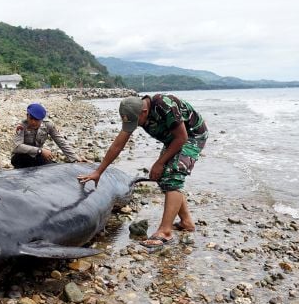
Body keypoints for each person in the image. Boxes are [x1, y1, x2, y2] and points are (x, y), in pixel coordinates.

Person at [77, 94, 208, 249]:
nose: (135, 126)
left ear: (144, 111)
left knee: (172, 175)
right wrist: (98, 171)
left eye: (136, 122)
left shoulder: (165, 105)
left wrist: (159, 163)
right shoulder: (134, 111)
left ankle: (165, 231)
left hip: (191, 136)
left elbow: (181, 138)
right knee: (164, 177)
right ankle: (186, 222)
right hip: (172, 139)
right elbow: (117, 145)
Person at [11, 103, 86, 168]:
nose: (33, 122)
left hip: (36, 156)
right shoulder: (21, 126)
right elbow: (17, 147)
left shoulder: (48, 125)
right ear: (27, 116)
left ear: (41, 119)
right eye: (31, 118)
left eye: (36, 120)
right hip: (20, 157)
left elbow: (61, 141)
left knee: (53, 167)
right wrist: (40, 150)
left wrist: (75, 158)